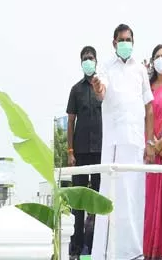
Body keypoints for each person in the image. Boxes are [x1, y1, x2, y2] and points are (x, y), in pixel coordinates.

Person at [91, 24, 155, 260]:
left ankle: (133, 253)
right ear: (114, 43)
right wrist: (98, 88)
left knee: (134, 198)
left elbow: (149, 107)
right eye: (121, 40)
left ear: (133, 42)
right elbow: (101, 91)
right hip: (115, 144)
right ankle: (107, 254)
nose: (125, 43)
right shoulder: (106, 67)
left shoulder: (140, 70)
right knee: (111, 197)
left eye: (129, 39)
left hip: (136, 142)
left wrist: (150, 142)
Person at [66, 46, 103, 259]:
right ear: (81, 63)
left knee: (98, 200)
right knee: (78, 201)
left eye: (91, 58)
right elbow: (71, 121)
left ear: (96, 61)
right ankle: (76, 247)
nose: (88, 61)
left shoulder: (102, 88)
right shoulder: (75, 90)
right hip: (79, 152)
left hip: (100, 152)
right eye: (85, 59)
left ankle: (96, 244)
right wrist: (70, 151)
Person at [143, 44, 162, 260]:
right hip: (151, 150)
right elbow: (145, 115)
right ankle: (148, 250)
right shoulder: (148, 86)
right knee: (150, 200)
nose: (160, 59)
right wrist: (151, 144)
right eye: (157, 56)